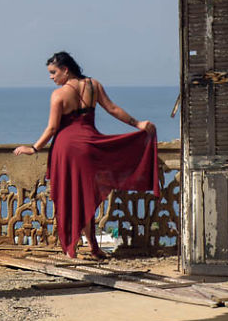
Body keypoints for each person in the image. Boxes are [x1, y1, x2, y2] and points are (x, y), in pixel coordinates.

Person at [14, 51, 159, 259]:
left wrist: (34, 148)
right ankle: (93, 247)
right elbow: (113, 108)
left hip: (66, 149)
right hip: (90, 146)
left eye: (53, 72)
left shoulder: (58, 95)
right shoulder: (93, 85)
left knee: (69, 197)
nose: (51, 77)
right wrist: (138, 124)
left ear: (65, 70)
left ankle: (71, 247)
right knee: (86, 196)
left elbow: (52, 128)